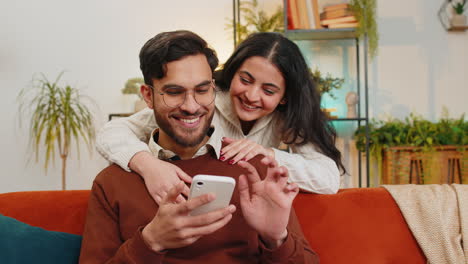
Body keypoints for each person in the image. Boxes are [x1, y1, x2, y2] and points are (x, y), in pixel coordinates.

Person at [79, 30, 318, 263]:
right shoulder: (112, 183)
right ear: (148, 96)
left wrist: (277, 239)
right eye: (174, 92)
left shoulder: (255, 171)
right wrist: (150, 242)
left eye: (202, 90)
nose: (191, 106)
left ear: (214, 89)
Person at [96, 32, 345, 204]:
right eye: (245, 80)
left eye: (268, 90)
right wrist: (148, 165)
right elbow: (113, 131)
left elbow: (327, 179)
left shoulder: (285, 118)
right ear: (231, 72)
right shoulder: (203, 102)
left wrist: (267, 155)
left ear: (284, 97)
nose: (251, 95)